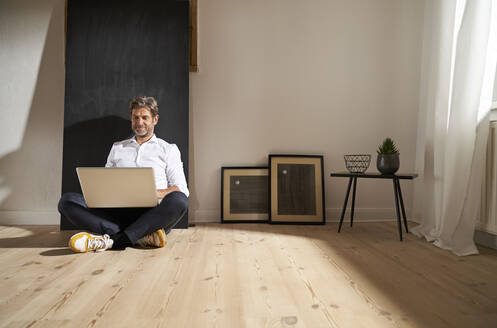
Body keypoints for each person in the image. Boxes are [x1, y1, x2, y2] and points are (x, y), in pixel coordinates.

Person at [58, 96, 189, 253]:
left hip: (152, 214)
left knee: (179, 200)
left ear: (155, 119)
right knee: (67, 201)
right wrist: (101, 194)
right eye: (136, 117)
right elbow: (105, 183)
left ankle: (113, 240)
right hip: (117, 212)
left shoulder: (168, 149)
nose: (139, 122)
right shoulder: (117, 148)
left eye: (145, 117)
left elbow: (181, 188)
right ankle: (140, 236)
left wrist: (154, 193)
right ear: (131, 118)